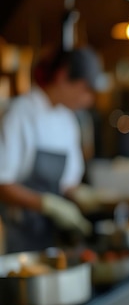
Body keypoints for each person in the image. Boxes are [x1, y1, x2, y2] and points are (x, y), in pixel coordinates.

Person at [0, 46, 104, 253]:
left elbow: (67, 183)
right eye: (85, 89)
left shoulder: (68, 119)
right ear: (63, 76)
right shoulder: (21, 113)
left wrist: (83, 195)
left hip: (55, 236)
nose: (89, 100)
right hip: (19, 237)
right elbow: (2, 183)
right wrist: (48, 204)